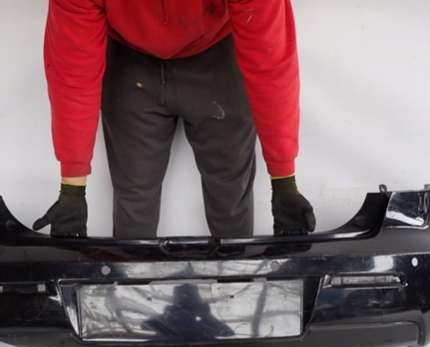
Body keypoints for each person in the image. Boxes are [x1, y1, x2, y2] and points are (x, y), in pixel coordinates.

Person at [33, 0, 316, 239]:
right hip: (132, 60)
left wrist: (284, 183)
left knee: (230, 196)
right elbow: (73, 74)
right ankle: (132, 284)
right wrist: (72, 191)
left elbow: (270, 62)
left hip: (216, 54)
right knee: (133, 201)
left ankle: (236, 282)